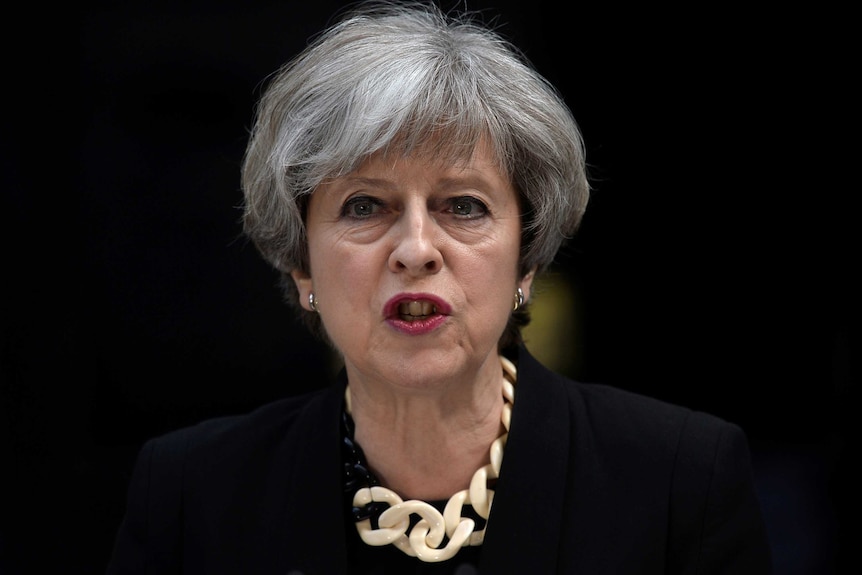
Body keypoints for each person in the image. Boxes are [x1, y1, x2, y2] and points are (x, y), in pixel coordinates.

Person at [106, 1, 772, 573]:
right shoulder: (191, 493)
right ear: (300, 263)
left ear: (527, 259)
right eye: (365, 205)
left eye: (464, 205)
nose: (417, 249)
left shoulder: (682, 481)